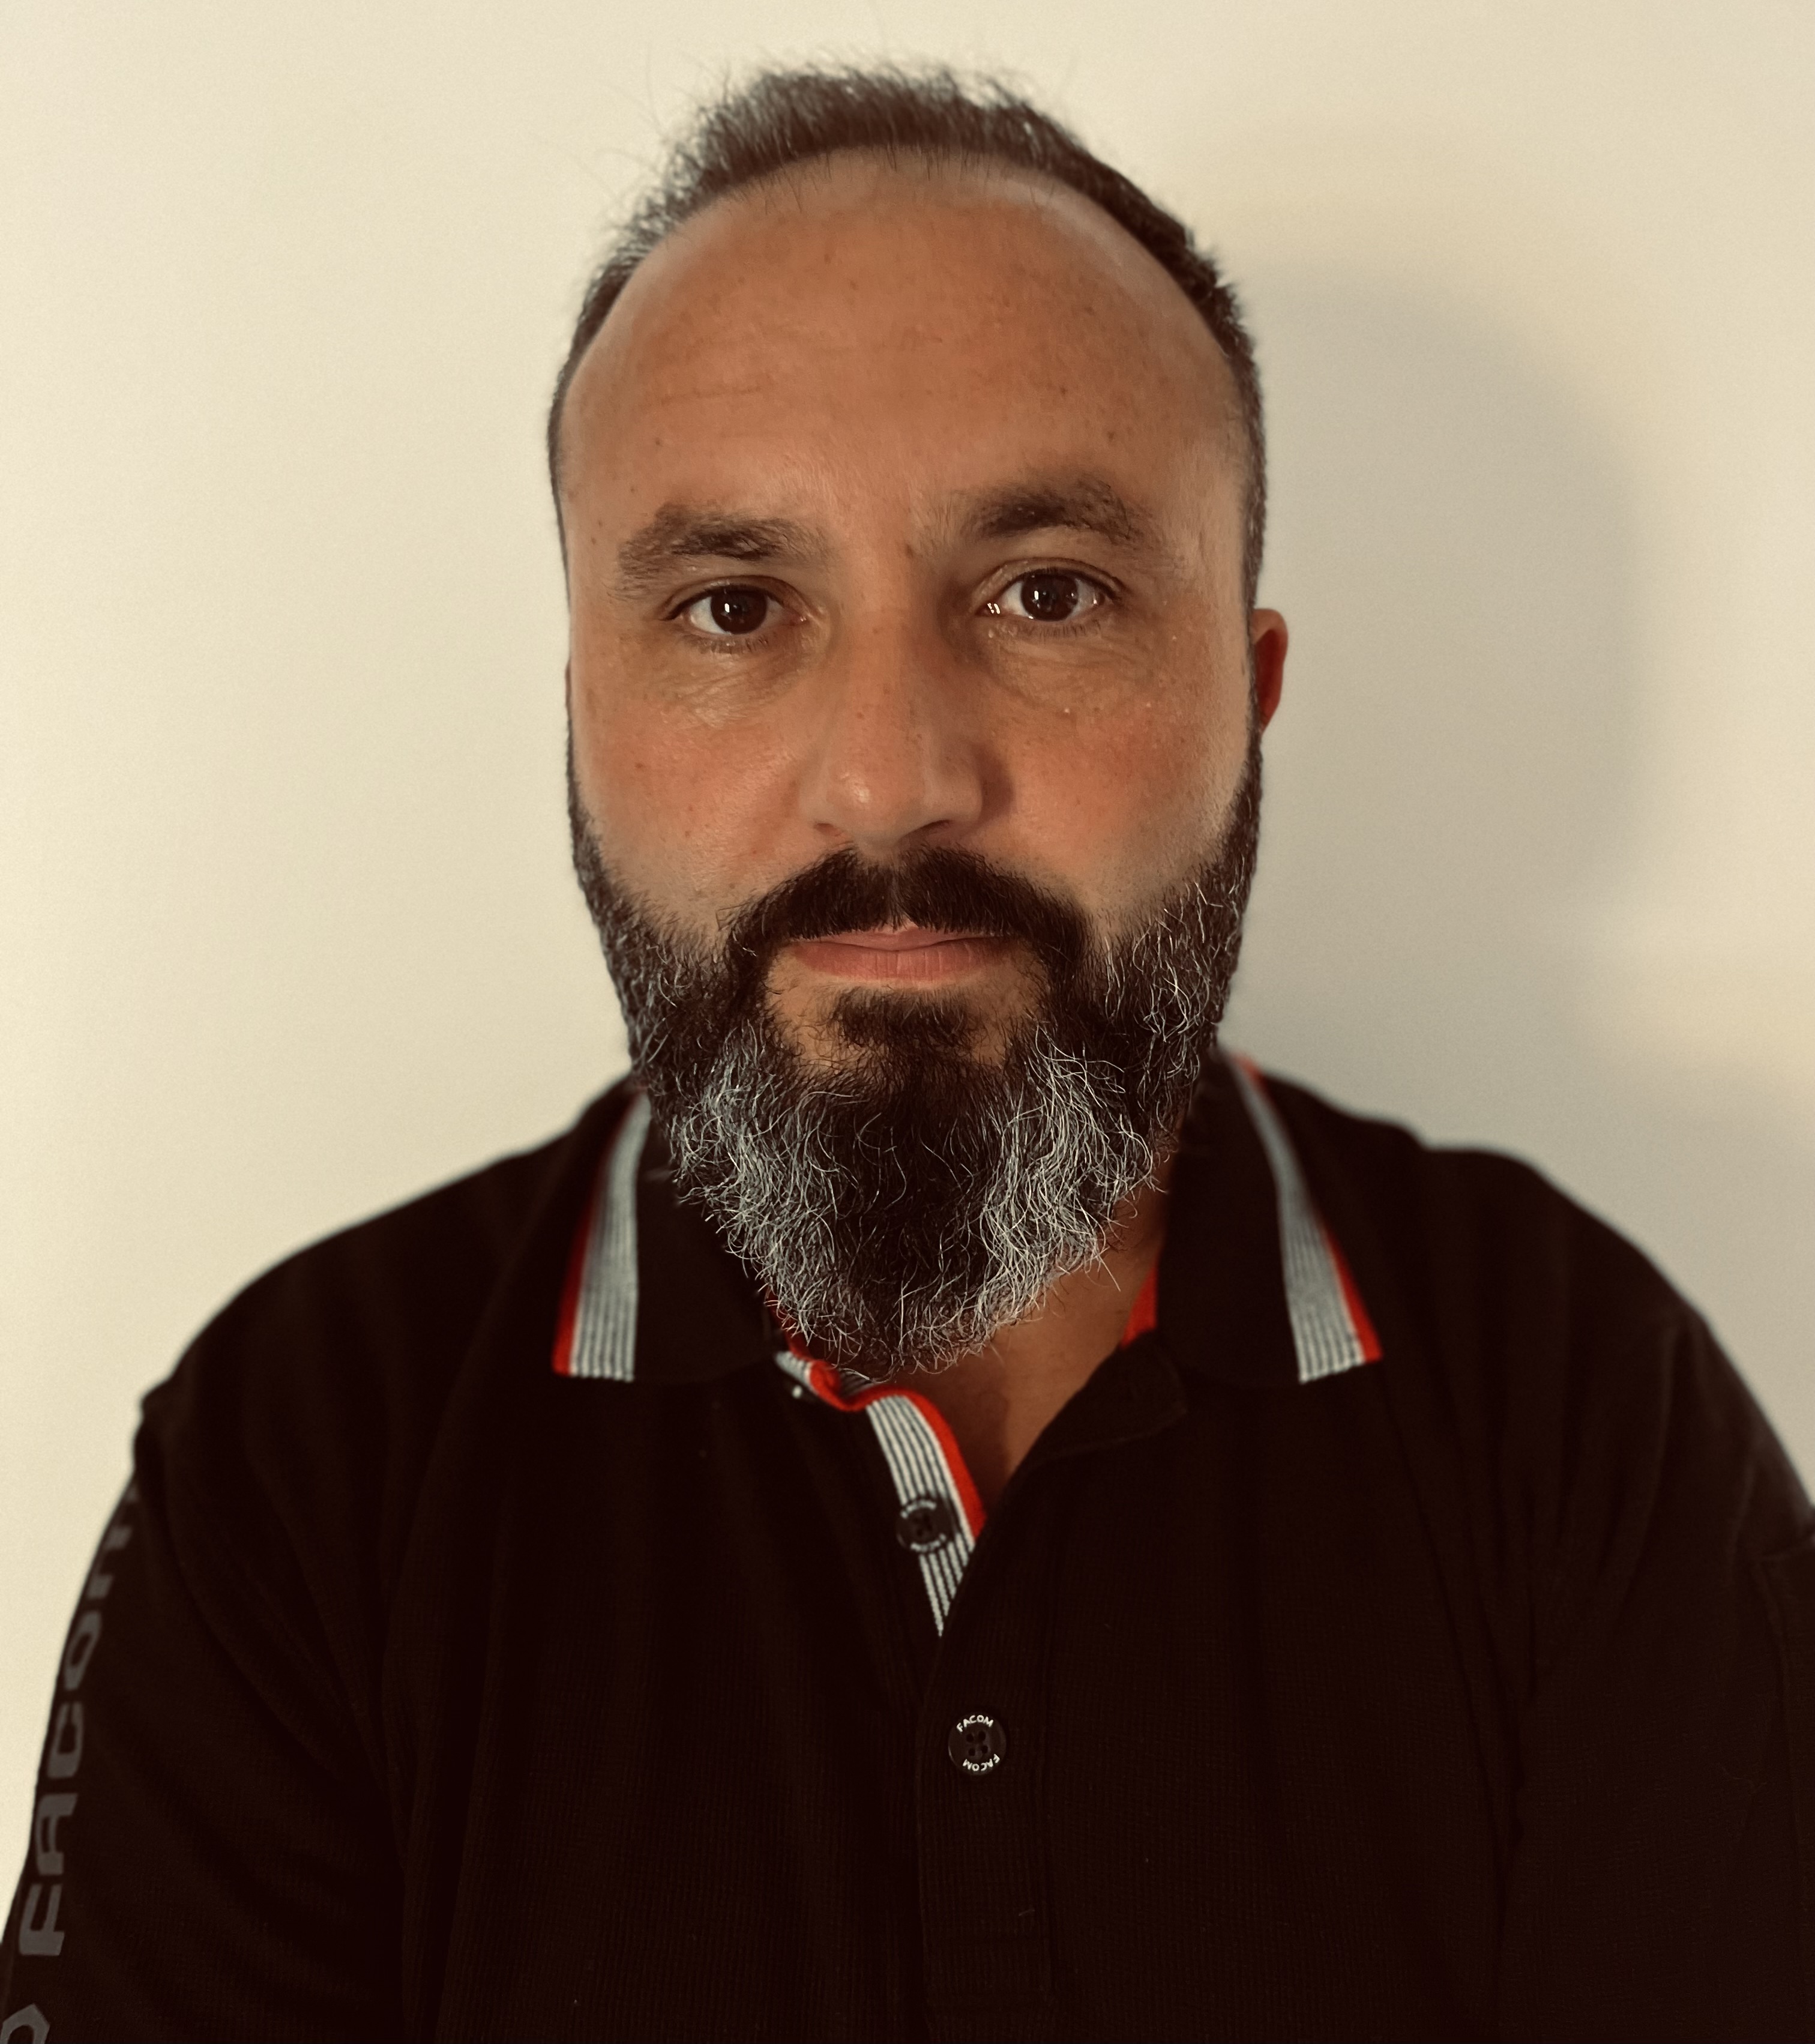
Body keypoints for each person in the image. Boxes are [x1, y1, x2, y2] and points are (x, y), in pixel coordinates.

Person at [4, 64, 1810, 2044]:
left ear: (1249, 692)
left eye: (1048, 595)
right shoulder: (301, 1461)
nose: (888, 779)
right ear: (585, 705)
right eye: (735, 607)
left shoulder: (1578, 1411)